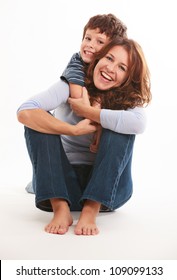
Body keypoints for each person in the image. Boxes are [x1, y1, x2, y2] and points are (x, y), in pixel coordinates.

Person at [17, 37, 151, 236]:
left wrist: (89, 112)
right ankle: (60, 207)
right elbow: (25, 112)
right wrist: (73, 129)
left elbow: (139, 123)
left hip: (109, 192)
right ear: (97, 58)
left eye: (122, 67)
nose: (111, 68)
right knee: (38, 119)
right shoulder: (72, 87)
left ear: (127, 78)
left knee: (121, 125)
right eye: (109, 58)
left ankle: (91, 208)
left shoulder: (128, 100)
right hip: (62, 185)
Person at [61, 13, 127, 153]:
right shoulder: (77, 64)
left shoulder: (109, 73)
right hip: (69, 147)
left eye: (100, 42)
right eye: (88, 38)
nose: (90, 45)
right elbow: (78, 98)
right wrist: (96, 119)